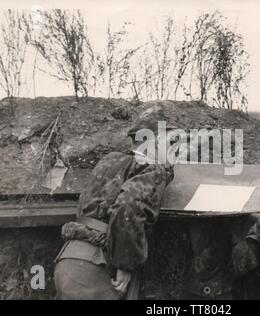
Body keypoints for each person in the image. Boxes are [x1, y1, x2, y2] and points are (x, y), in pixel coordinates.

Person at [54, 120, 175, 300]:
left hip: (69, 260)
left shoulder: (109, 161)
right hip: (97, 268)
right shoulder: (151, 168)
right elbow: (126, 209)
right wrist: (125, 265)